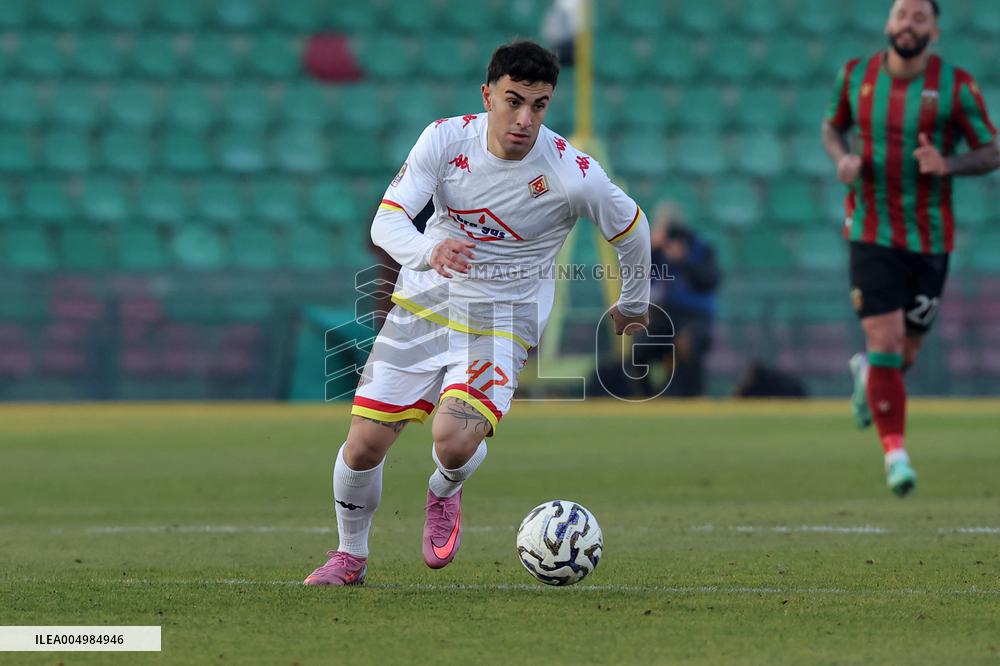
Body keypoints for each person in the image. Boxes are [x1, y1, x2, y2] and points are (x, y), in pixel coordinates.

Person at [304, 41, 651, 585]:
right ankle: (350, 557)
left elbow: (632, 226)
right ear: (487, 95)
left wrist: (632, 303)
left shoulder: (572, 172)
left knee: (453, 437)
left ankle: (445, 487)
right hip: (424, 306)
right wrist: (429, 250)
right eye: (513, 101)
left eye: (539, 105)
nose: (525, 118)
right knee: (364, 446)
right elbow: (386, 222)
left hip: (502, 320)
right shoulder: (444, 140)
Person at [821, 0, 999, 496]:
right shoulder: (855, 76)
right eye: (902, 14)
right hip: (870, 230)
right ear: (888, 22)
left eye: (920, 18)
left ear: (934, 31)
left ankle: (869, 379)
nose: (908, 24)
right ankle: (895, 455)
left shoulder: (956, 86)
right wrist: (842, 160)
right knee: (886, 341)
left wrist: (947, 164)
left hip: (930, 237)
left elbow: (991, 150)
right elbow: (832, 126)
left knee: (904, 353)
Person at [644, 202, 720, 397]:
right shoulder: (658, 252)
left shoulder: (700, 249)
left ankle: (692, 395)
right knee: (640, 348)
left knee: (686, 343)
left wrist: (684, 260)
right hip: (665, 314)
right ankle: (647, 397)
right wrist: (648, 250)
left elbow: (710, 280)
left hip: (695, 317)